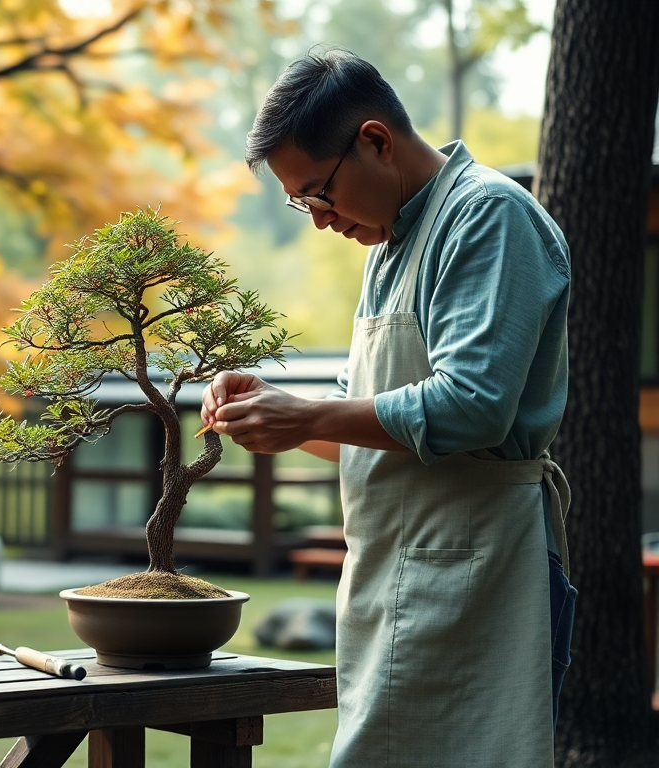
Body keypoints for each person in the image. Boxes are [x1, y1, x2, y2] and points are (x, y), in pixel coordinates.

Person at [201, 48, 577, 767]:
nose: (318, 221)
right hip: (391, 575)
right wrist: (277, 417)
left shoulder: (487, 217)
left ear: (375, 141)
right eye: (301, 203)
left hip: (480, 570)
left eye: (319, 193)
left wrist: (309, 415)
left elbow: (472, 407)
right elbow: (369, 422)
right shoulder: (388, 246)